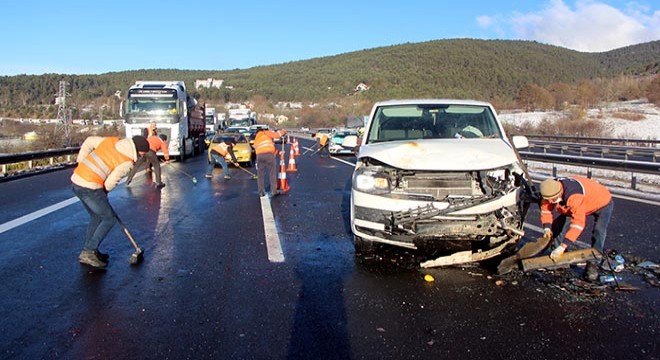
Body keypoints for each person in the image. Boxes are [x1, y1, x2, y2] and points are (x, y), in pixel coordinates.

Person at [71, 135, 150, 268]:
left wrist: (81, 161)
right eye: (143, 153)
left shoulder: (111, 141)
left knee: (96, 217)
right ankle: (88, 252)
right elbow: (112, 180)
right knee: (109, 218)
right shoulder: (127, 162)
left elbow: (89, 141)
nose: (143, 156)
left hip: (76, 180)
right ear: (138, 150)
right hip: (90, 186)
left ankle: (91, 249)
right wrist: (104, 192)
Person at [539, 176, 614, 281]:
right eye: (548, 200)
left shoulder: (574, 197)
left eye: (553, 199)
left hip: (601, 202)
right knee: (558, 226)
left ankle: (593, 262)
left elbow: (578, 224)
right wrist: (547, 228)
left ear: (559, 193)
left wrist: (563, 246)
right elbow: (546, 210)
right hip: (578, 202)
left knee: (599, 231)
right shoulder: (549, 189)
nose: (550, 202)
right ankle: (560, 259)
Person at [253, 128, 286, 197]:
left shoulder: (256, 139)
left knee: (260, 175)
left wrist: (277, 152)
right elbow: (277, 135)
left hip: (259, 156)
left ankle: (261, 192)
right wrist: (283, 132)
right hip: (269, 155)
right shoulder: (266, 132)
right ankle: (274, 191)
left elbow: (266, 146)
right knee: (272, 173)